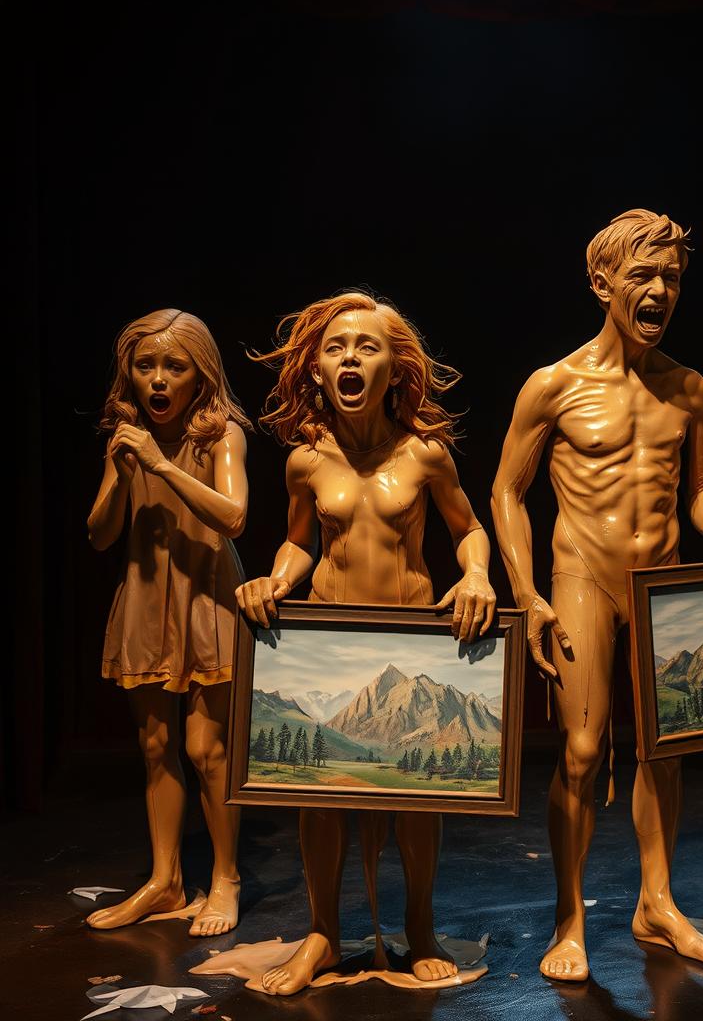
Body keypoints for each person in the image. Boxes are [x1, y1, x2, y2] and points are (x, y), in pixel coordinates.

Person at [491, 210, 703, 982]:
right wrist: (526, 592)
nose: (659, 290)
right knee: (582, 751)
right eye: (643, 275)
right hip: (581, 572)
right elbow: (507, 492)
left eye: (672, 278)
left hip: (664, 580)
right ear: (601, 282)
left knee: (667, 751)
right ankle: (570, 918)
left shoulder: (688, 387)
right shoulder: (555, 384)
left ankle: (658, 902)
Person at [236, 291, 496, 994]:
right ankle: (322, 933)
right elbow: (297, 543)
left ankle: (417, 927)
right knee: (319, 800)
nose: (350, 356)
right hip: (330, 638)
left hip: (408, 641)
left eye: (368, 346)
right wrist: (273, 579)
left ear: (393, 370)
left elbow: (468, 530)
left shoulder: (426, 456)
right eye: (336, 347)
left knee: (415, 800)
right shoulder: (304, 462)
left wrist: (476, 574)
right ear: (316, 370)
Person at [87, 309, 251, 937]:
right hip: (147, 595)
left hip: (207, 595)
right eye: (145, 365)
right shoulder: (128, 437)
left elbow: (234, 516)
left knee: (207, 750)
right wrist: (123, 475)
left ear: (199, 375)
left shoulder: (221, 434)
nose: (157, 380)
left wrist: (160, 465)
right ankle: (165, 880)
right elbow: (101, 535)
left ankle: (228, 878)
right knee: (155, 747)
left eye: (173, 367)